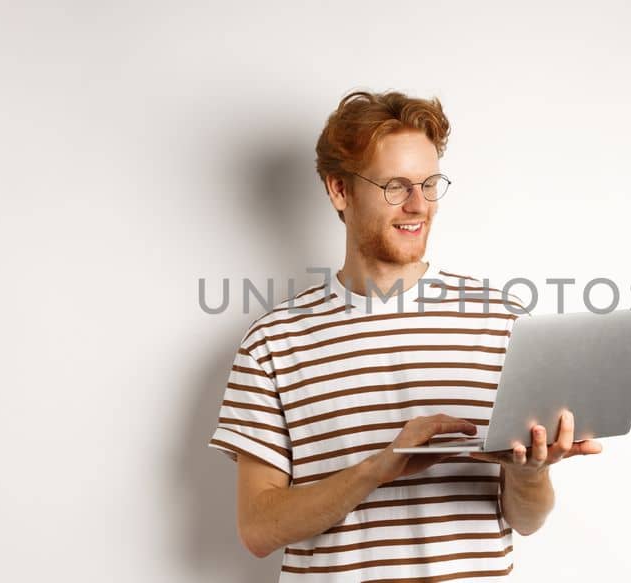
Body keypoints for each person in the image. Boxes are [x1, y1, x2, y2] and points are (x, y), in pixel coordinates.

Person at [206, 90, 603, 581]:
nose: (419, 205)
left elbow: (525, 520)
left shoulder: (503, 321)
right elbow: (258, 529)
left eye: (429, 183)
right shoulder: (272, 342)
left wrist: (530, 473)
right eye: (396, 186)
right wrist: (379, 468)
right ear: (339, 189)